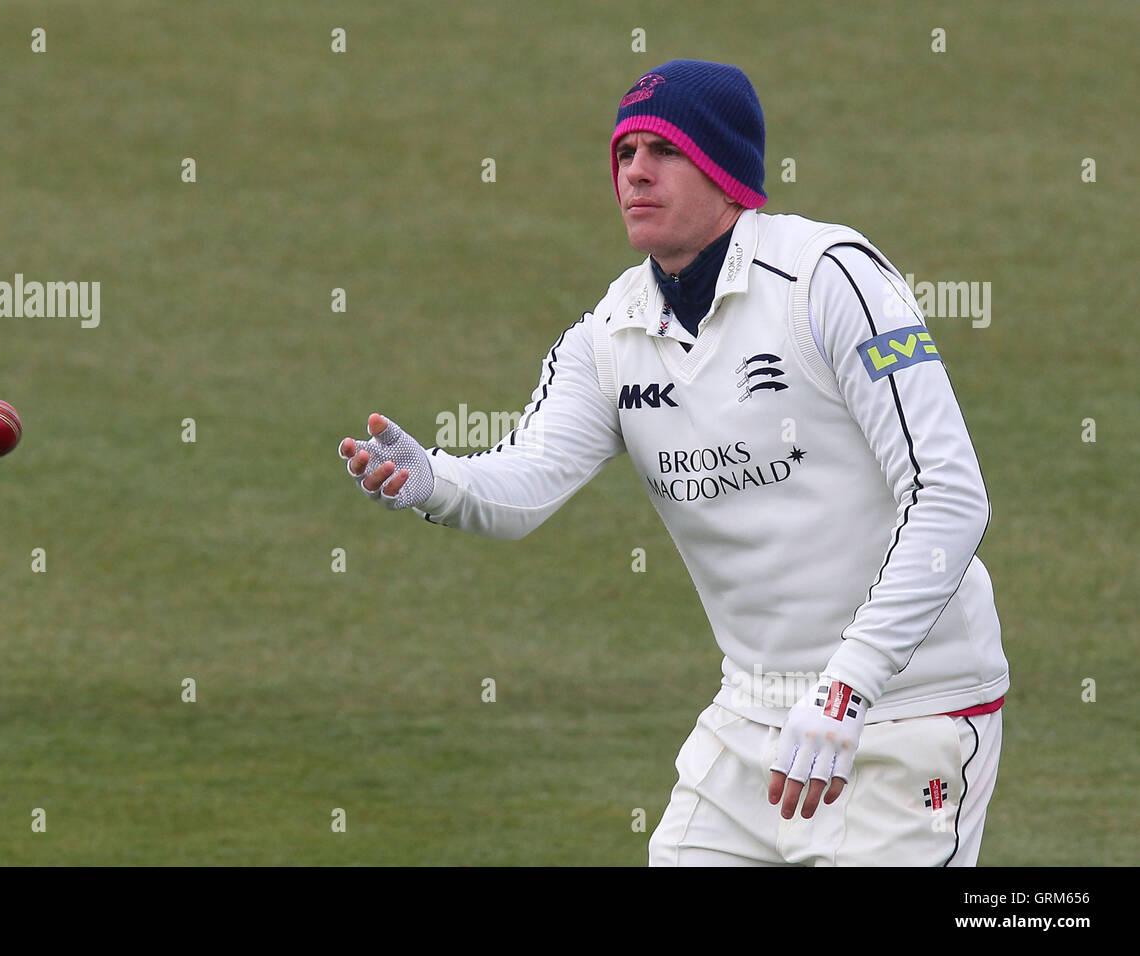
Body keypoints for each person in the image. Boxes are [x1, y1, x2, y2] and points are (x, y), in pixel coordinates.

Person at [337, 59, 1008, 866]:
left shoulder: (829, 279)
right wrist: (436, 481)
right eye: (624, 154)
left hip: (909, 715)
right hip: (752, 723)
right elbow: (527, 482)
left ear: (726, 170)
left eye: (665, 150)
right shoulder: (609, 334)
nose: (636, 172)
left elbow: (950, 497)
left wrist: (850, 684)